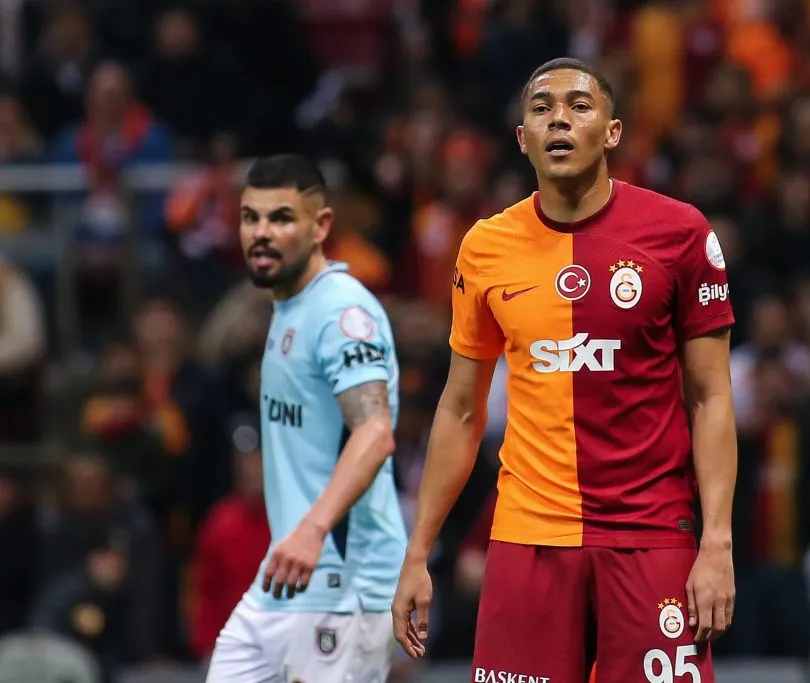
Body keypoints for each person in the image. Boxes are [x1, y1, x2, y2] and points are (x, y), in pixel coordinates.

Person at [392, 58, 739, 683]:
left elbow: (712, 397)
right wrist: (418, 552)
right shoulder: (486, 247)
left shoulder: (679, 234)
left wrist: (717, 543)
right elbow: (461, 408)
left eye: (579, 106)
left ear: (612, 131)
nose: (559, 117)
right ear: (522, 138)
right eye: (541, 107)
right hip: (528, 537)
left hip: (651, 535)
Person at [205, 155, 405, 683]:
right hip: (286, 581)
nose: (262, 233)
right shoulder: (287, 308)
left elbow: (375, 431)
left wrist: (313, 530)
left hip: (345, 580)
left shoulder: (342, 314)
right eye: (251, 218)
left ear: (320, 227)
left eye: (281, 218)